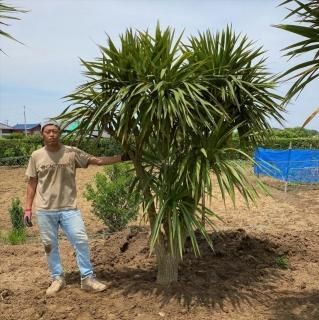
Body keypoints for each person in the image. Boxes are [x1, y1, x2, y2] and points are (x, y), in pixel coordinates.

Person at [24, 120, 130, 296]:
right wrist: (27, 209)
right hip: (45, 210)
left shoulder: (71, 152)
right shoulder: (36, 156)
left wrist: (123, 157)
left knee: (81, 240)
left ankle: (87, 278)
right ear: (42, 134)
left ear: (59, 134)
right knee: (50, 245)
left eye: (55, 131)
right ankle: (57, 278)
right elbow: (32, 182)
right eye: (48, 132)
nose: (51, 135)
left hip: (69, 209)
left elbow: (96, 161)